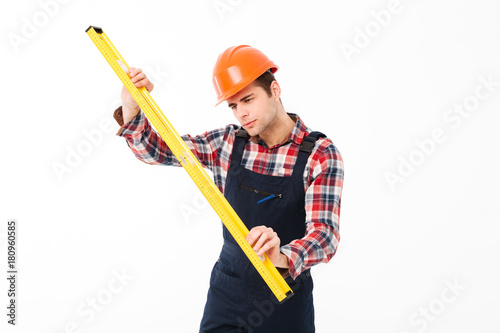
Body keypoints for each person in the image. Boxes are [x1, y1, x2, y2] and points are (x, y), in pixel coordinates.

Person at [113, 45, 344, 333]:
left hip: (283, 297)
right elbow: (157, 151)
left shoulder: (319, 154)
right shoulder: (228, 143)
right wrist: (132, 109)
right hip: (229, 289)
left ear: (275, 89)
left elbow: (325, 235)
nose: (242, 114)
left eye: (248, 100)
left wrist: (282, 257)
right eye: (233, 105)